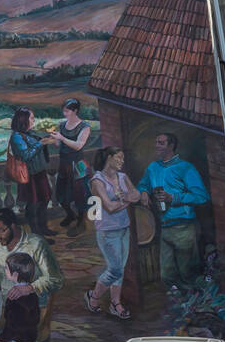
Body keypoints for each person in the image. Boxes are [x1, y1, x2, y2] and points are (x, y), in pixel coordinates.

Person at [136, 132, 210, 292]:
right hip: (164, 227)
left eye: (161, 143)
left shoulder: (186, 168)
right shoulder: (153, 167)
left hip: (184, 227)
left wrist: (174, 198)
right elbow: (142, 184)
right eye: (156, 142)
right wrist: (143, 191)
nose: (156, 145)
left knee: (188, 274)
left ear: (171, 146)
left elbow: (202, 196)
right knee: (167, 275)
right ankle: (181, 302)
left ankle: (193, 304)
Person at [86, 147, 135, 318]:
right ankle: (94, 297)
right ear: (109, 158)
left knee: (119, 268)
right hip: (107, 230)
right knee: (115, 269)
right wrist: (126, 200)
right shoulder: (97, 181)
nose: (122, 161)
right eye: (119, 158)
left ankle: (116, 303)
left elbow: (135, 194)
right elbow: (110, 207)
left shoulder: (123, 177)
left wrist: (125, 199)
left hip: (124, 228)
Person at [0, 208, 63, 310]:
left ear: (13, 226)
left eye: (1, 231)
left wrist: (29, 288)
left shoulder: (36, 244)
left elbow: (55, 280)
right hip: (5, 304)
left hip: (30, 306)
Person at [8, 106, 58, 240]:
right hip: (29, 175)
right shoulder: (16, 137)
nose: (33, 120)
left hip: (39, 173)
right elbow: (25, 155)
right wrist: (41, 143)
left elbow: (36, 146)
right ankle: (37, 234)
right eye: (31, 118)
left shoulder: (28, 133)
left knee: (44, 199)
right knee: (33, 204)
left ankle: (43, 228)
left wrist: (46, 141)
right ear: (23, 119)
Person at [50, 99, 93, 237]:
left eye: (67, 111)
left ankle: (81, 222)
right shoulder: (62, 125)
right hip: (64, 164)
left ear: (75, 111)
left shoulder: (85, 126)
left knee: (81, 195)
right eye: (64, 110)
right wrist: (54, 138)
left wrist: (62, 138)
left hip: (78, 164)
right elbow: (59, 145)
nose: (64, 113)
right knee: (61, 195)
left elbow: (79, 145)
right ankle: (70, 215)